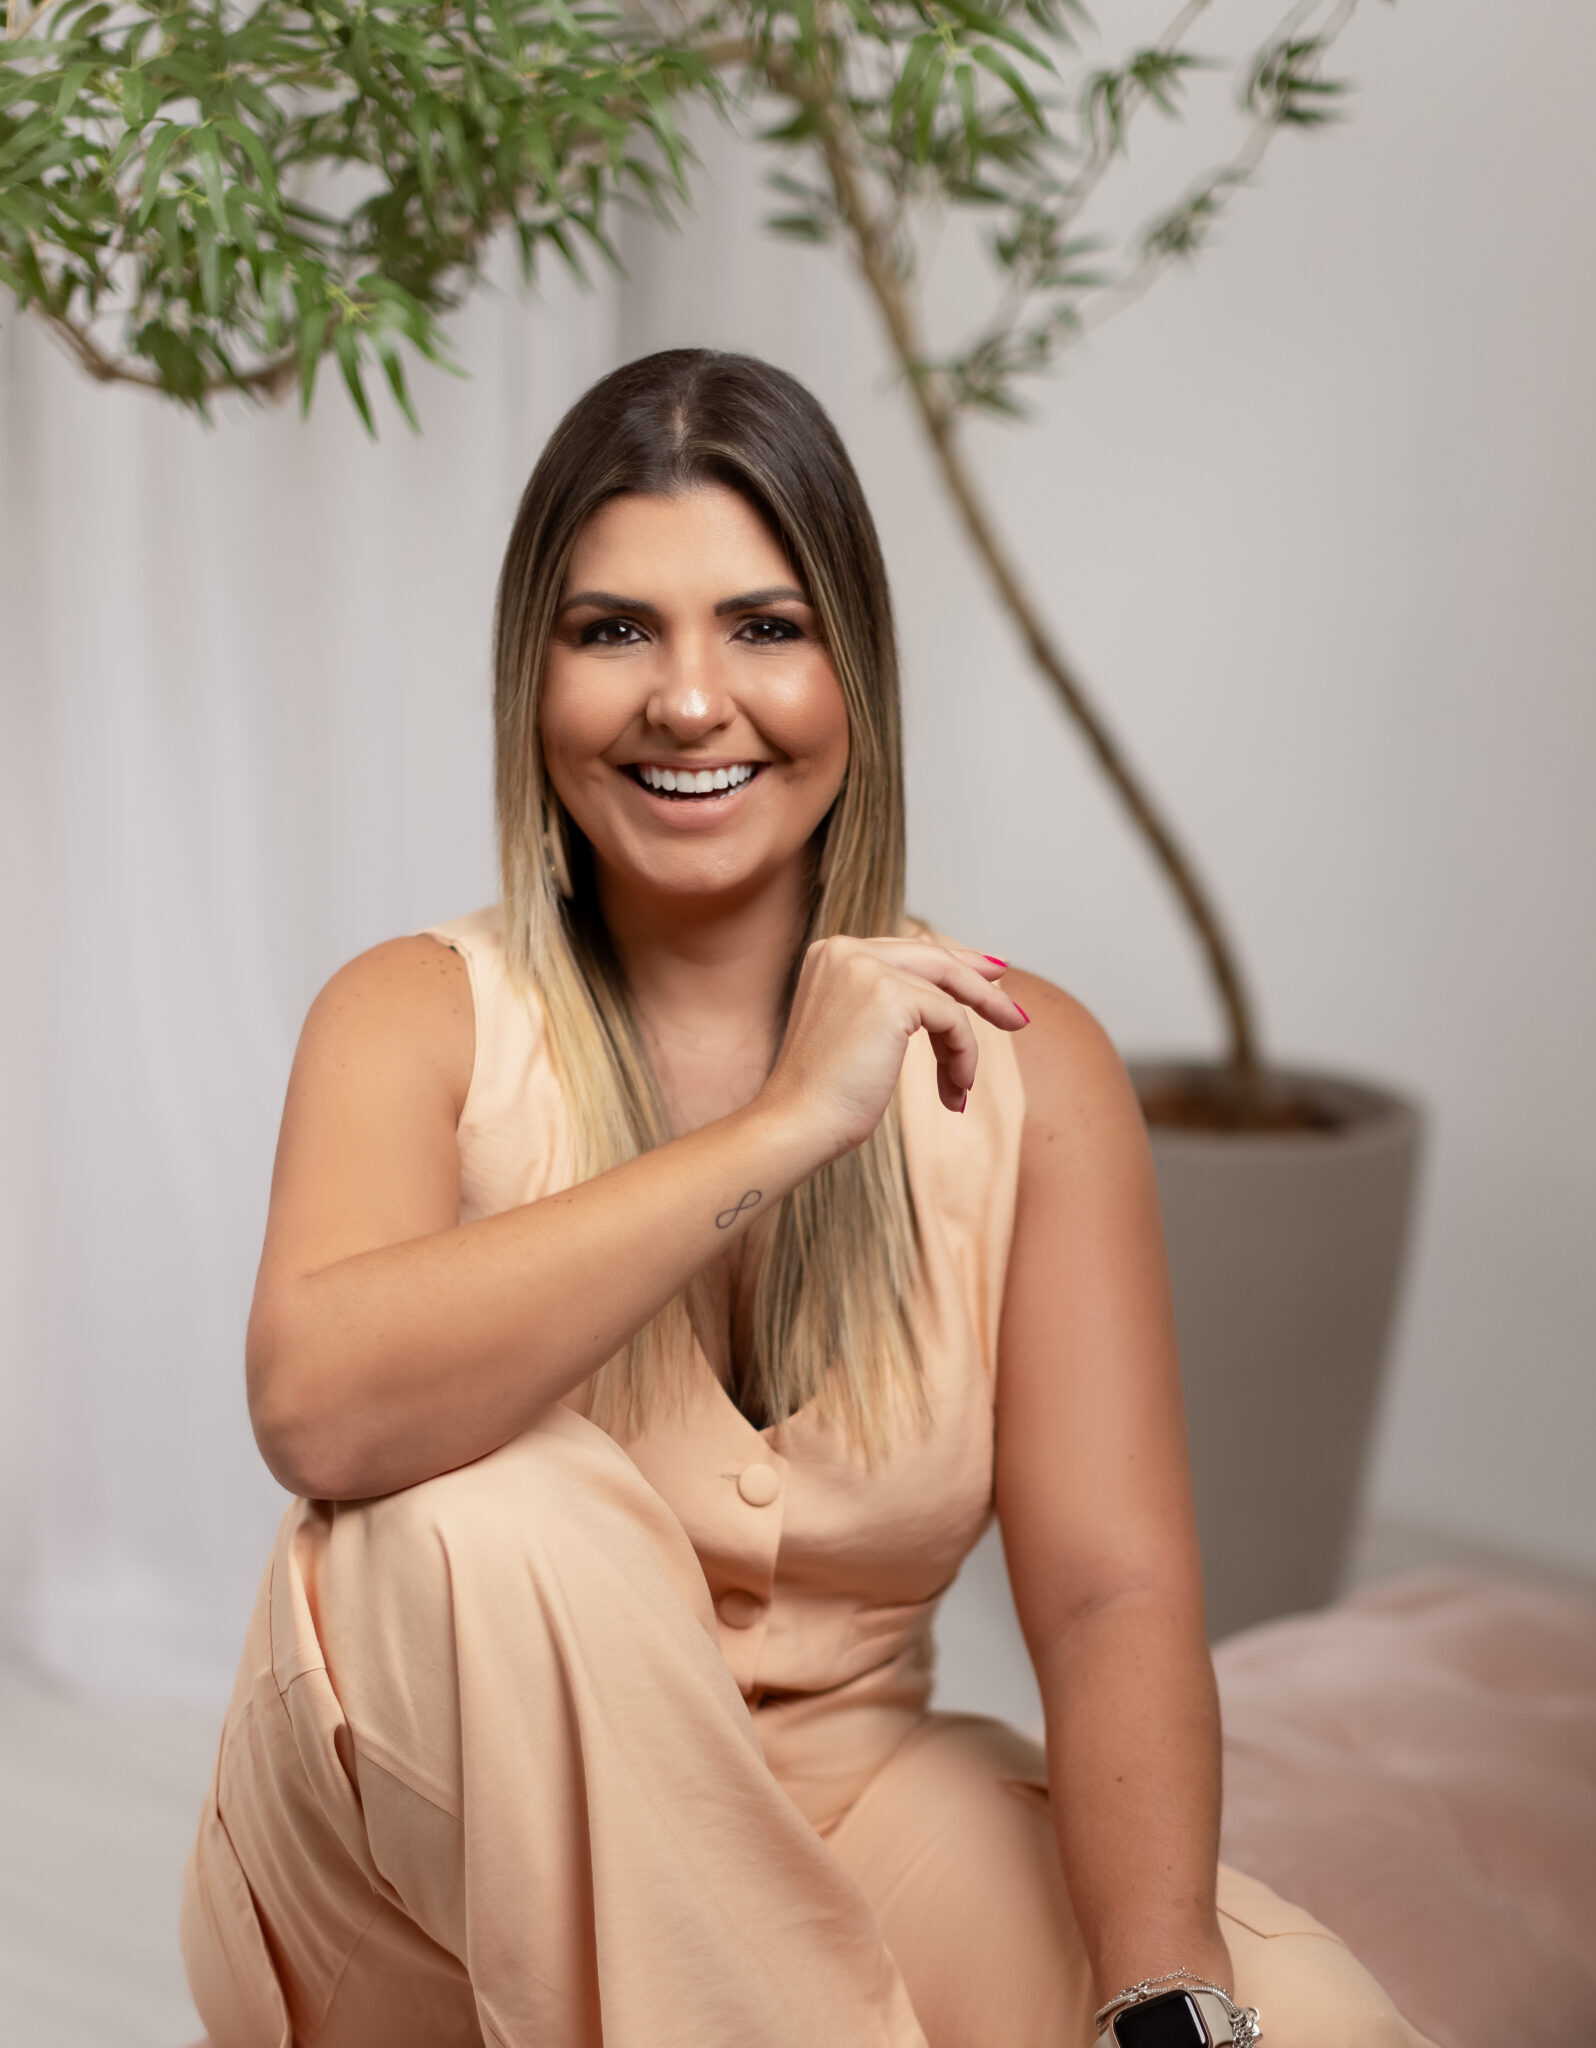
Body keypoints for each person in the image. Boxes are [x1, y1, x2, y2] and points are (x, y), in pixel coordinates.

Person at [180, 348, 1434, 2048]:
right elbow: (318, 1410)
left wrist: (1161, 1985)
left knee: (1302, 2022)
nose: (691, 701)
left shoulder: (1030, 1066)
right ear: (531, 678)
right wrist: (776, 1131)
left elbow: (1109, 1596)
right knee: (493, 1512)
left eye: (764, 627)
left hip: (848, 1805)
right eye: (614, 631)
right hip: (416, 1873)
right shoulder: (413, 1017)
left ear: (856, 668)